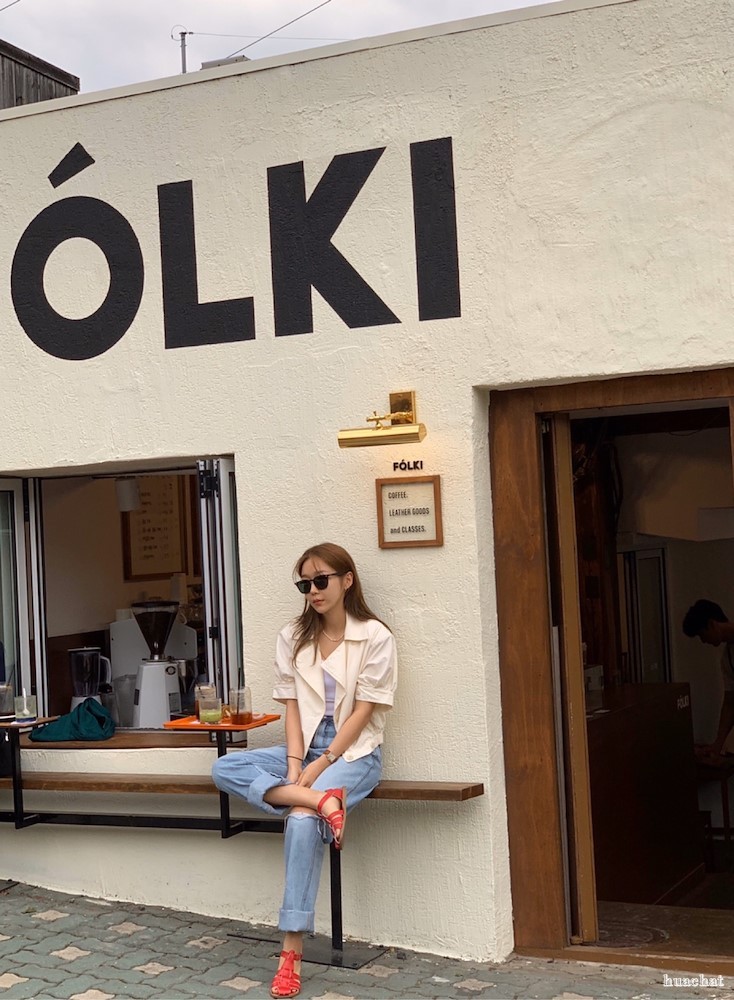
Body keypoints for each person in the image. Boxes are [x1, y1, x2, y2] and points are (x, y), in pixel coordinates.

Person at [212, 542, 397, 999]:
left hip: (353, 755)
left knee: (299, 822)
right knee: (225, 767)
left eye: (321, 580)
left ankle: (290, 952)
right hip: (303, 749)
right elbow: (292, 710)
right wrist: (298, 767)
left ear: (346, 580)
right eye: (305, 584)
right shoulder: (293, 636)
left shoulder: (375, 637)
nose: (313, 591)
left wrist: (321, 763)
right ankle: (319, 802)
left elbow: (363, 714)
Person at [682, 598, 734, 759]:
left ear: (712, 624)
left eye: (702, 635)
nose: (704, 641)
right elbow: (730, 702)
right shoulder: (727, 659)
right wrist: (717, 744)